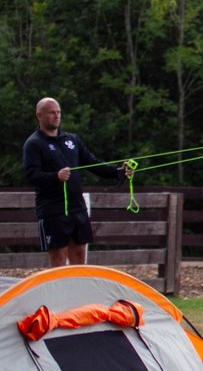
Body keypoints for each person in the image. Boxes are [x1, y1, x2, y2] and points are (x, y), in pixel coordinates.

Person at [23, 97, 131, 267]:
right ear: (39, 115)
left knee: (80, 256)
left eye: (58, 112)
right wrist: (55, 176)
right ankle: (59, 293)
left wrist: (118, 171)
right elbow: (32, 175)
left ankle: (78, 293)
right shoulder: (34, 144)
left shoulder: (71, 140)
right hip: (53, 209)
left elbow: (92, 163)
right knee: (59, 259)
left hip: (77, 208)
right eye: (52, 112)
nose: (56, 116)